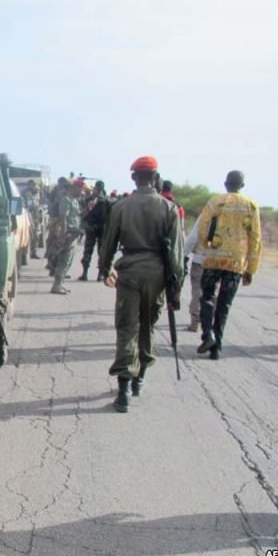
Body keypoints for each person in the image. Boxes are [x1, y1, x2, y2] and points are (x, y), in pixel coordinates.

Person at [100, 156, 183, 413]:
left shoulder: (121, 207)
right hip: (157, 274)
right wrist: (176, 286)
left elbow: (108, 242)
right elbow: (176, 253)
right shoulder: (169, 208)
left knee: (127, 327)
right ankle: (139, 380)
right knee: (148, 326)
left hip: (130, 272)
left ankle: (124, 391)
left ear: (134, 178)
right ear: (155, 178)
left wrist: (105, 269)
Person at [194, 170, 262, 360]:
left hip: (214, 259)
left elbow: (202, 227)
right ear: (242, 186)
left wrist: (207, 245)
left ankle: (208, 334)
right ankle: (216, 348)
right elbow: (256, 239)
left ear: (226, 184)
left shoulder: (216, 201)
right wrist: (251, 269)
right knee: (224, 304)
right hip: (236, 263)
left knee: (207, 297)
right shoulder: (251, 206)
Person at [51, 179, 84, 294]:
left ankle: (60, 284)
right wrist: (62, 235)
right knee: (63, 260)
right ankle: (56, 286)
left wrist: (88, 208)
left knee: (69, 260)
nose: (82, 192)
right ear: (75, 187)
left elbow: (77, 216)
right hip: (67, 233)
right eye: (81, 189)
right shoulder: (66, 200)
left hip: (73, 234)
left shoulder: (74, 201)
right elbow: (63, 218)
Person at [79, 180, 110, 281]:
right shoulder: (107, 200)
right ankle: (98, 274)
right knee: (100, 252)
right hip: (100, 228)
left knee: (89, 251)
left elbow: (83, 214)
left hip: (93, 227)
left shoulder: (90, 199)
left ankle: (86, 273)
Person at [183, 216, 207, 332]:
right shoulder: (230, 216)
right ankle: (208, 323)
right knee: (213, 292)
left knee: (197, 291)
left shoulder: (207, 214)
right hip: (218, 263)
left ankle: (195, 322)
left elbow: (193, 238)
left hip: (200, 259)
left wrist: (183, 255)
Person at [45, 176, 70, 275]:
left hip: (54, 220)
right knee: (58, 244)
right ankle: (53, 266)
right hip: (58, 220)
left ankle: (51, 265)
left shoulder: (54, 191)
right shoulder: (61, 193)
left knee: (52, 242)